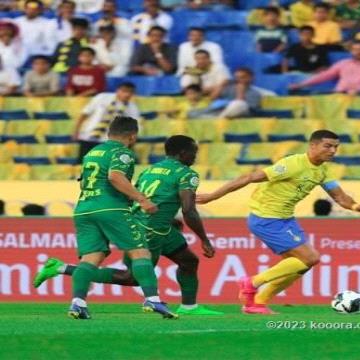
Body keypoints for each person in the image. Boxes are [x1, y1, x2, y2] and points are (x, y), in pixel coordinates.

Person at [34, 135, 223, 316]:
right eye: (193, 152)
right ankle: (61, 268)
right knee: (131, 278)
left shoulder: (150, 170)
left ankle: (189, 306)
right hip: (151, 230)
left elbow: (147, 195)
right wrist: (204, 239)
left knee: (189, 261)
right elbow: (189, 210)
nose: (195, 157)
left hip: (158, 226)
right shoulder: (187, 174)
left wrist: (168, 218)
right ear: (182, 153)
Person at [197, 130, 360, 314]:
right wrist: (212, 196)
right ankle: (251, 282)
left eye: (336, 147)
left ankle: (256, 303)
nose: (332, 151)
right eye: (328, 146)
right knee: (310, 258)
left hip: (285, 219)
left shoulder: (322, 170)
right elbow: (249, 177)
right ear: (313, 145)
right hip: (266, 218)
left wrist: (356, 206)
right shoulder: (292, 164)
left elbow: (339, 197)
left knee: (297, 267)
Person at [64, 116, 177, 320]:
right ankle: (152, 299)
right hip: (110, 208)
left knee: (92, 257)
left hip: (83, 209)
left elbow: (82, 183)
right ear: (132, 136)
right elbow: (115, 176)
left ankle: (78, 303)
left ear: (109, 133)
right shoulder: (122, 152)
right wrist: (141, 199)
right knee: (140, 252)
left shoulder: (93, 152)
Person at [73, 82, 140, 162]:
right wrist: (76, 131)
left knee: (102, 165)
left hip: (108, 142)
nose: (127, 94)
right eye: (124, 91)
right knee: (83, 164)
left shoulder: (132, 108)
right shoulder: (102, 97)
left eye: (130, 92)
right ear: (118, 90)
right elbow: (84, 114)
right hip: (88, 136)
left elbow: (133, 128)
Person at [289, 41, 360, 95]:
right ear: (351, 51)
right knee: (314, 94)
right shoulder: (343, 63)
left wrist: (357, 90)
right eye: (355, 50)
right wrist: (302, 84)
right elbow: (325, 76)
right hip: (339, 94)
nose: (359, 52)